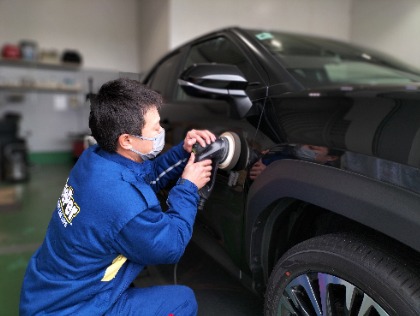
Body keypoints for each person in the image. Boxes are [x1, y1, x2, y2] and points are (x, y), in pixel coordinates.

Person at [20, 78, 216, 315]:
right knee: (183, 301)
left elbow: (144, 178)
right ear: (126, 140)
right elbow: (170, 245)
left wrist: (182, 152)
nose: (161, 131)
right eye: (155, 128)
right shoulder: (124, 203)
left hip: (45, 291)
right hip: (75, 307)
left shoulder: (96, 158)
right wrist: (188, 187)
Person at [249, 144, 342, 180]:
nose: (303, 148)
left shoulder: (321, 178)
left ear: (331, 157)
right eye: (306, 142)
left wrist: (268, 176)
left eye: (312, 148)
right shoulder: (288, 150)